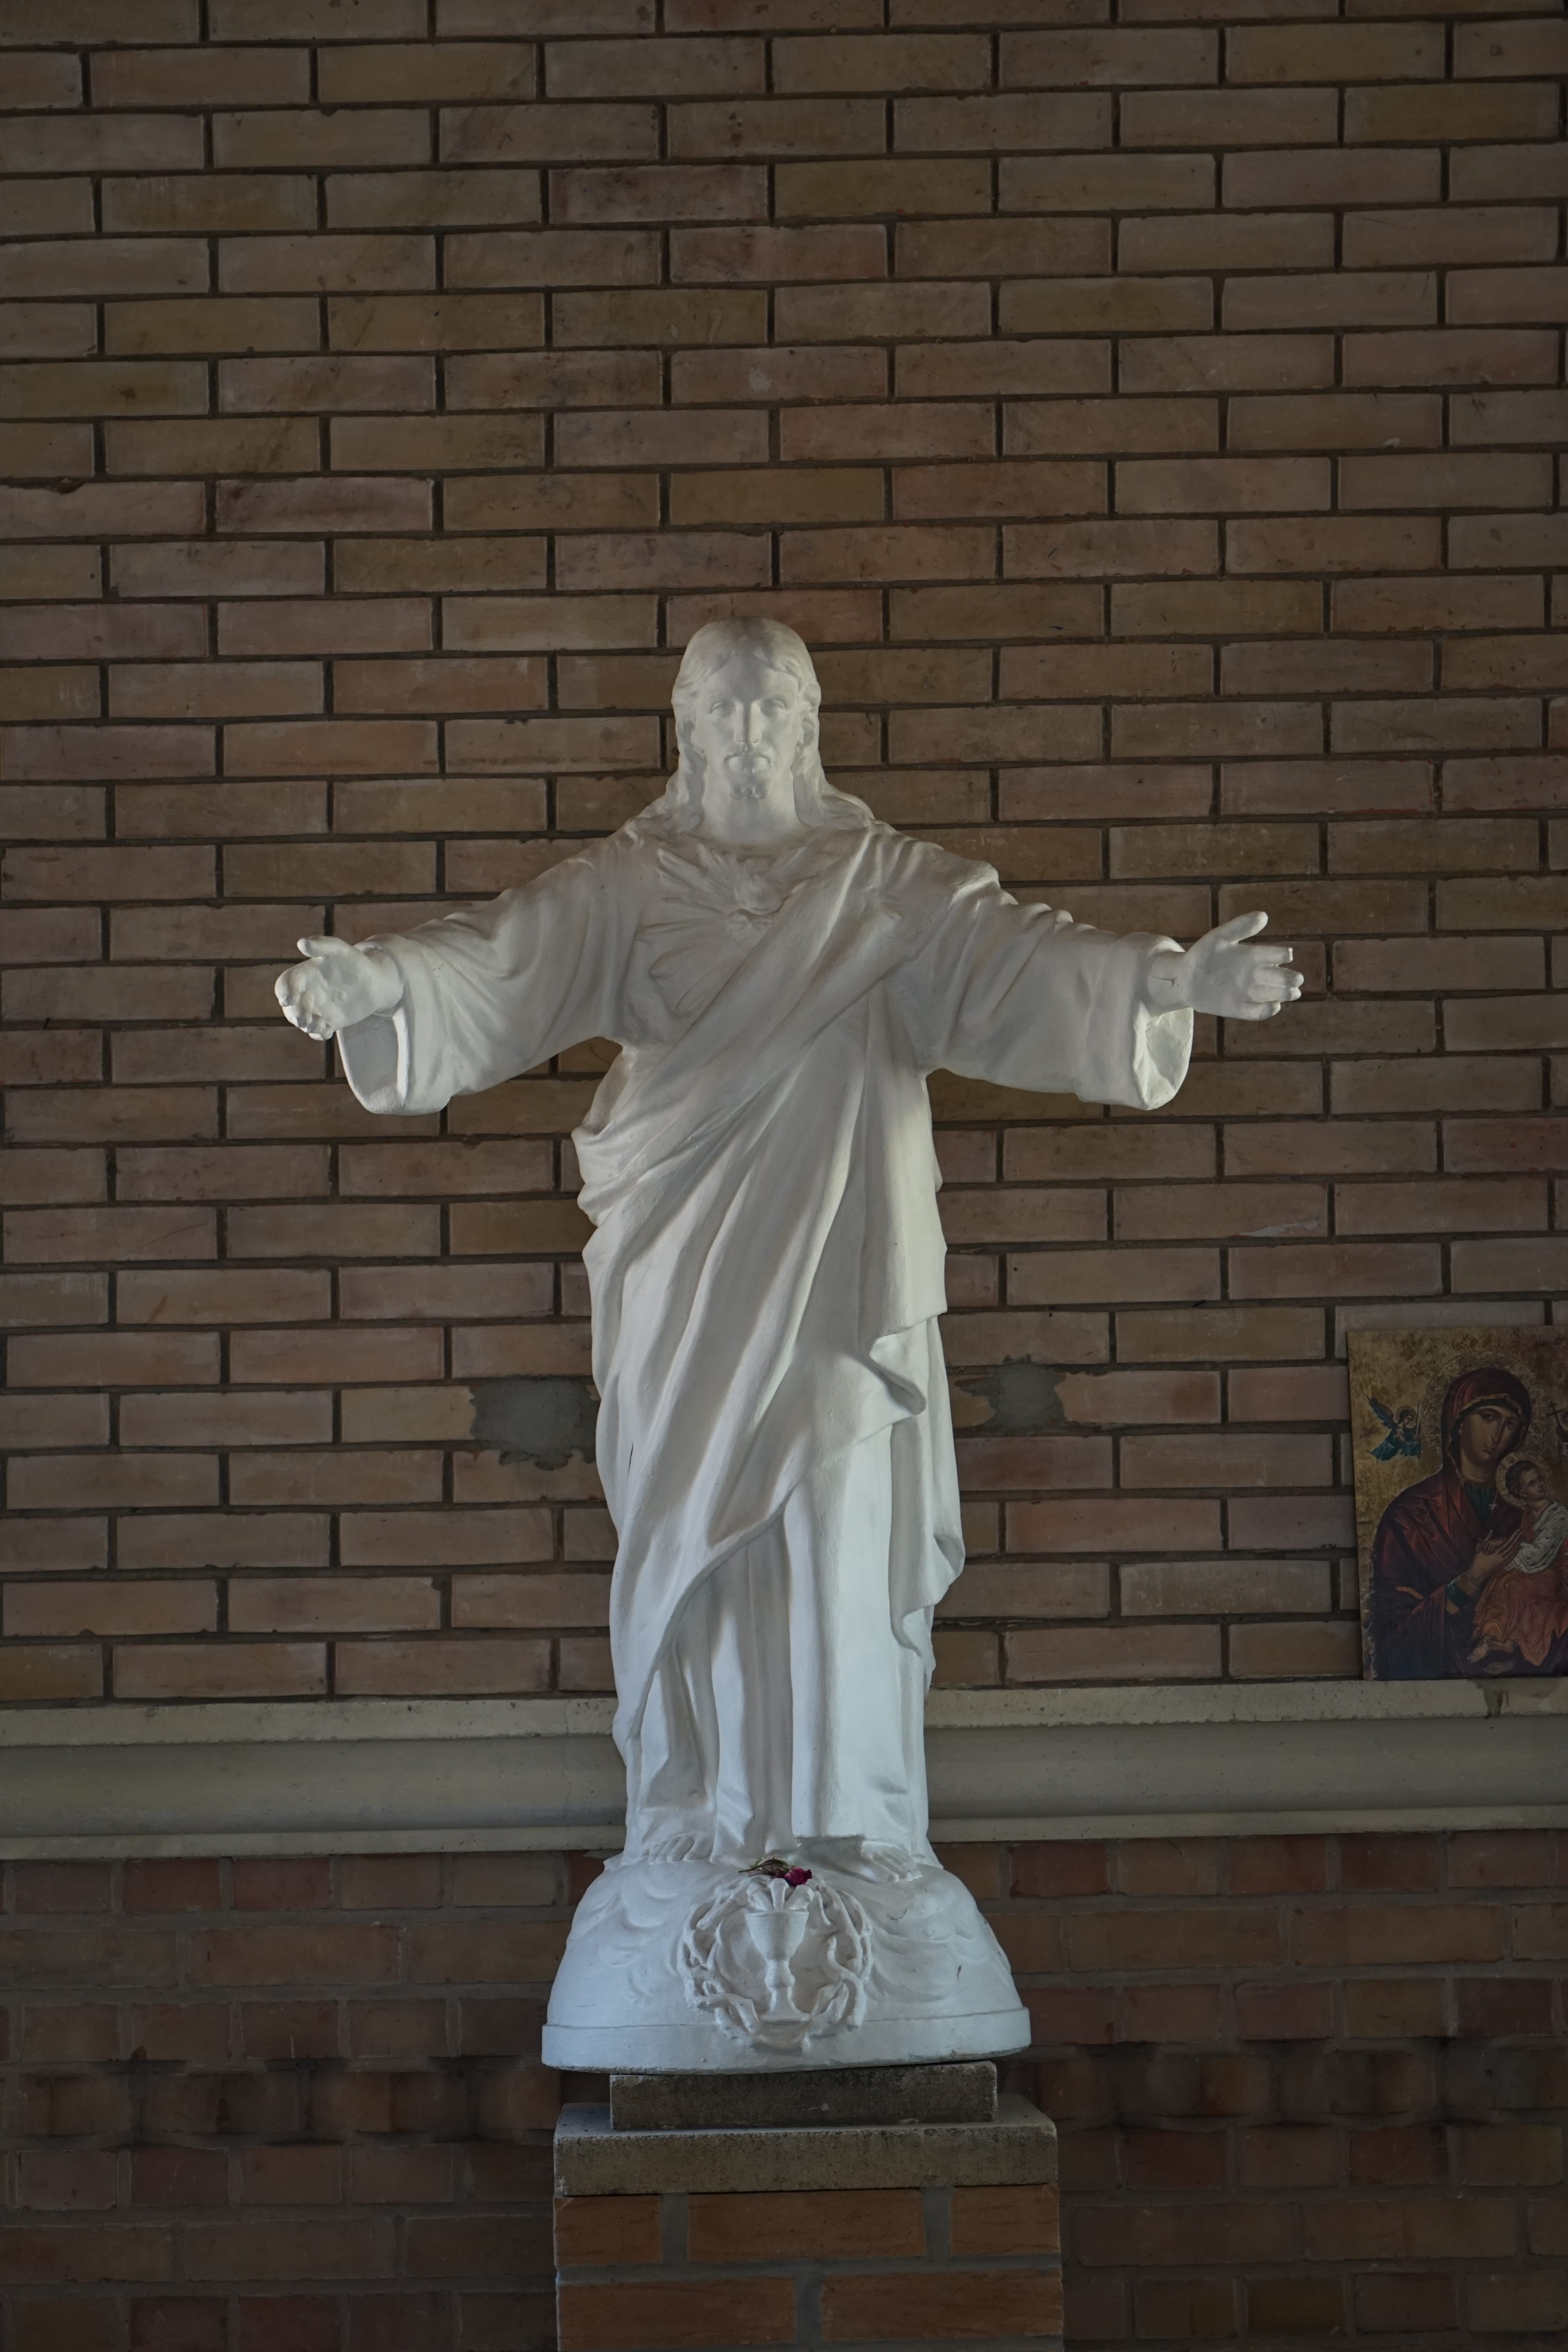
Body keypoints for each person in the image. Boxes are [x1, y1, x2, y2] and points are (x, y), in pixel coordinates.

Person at [276, 619, 1302, 1870]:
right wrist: (377, 983)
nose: (746, 736)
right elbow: (498, 964)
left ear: (807, 728)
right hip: (681, 1270)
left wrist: (1160, 983)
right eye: (721, 711)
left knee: (827, 1506)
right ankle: (706, 1826)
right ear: (684, 730)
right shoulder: (629, 883)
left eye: (771, 711)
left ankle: (843, 1834)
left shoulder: (883, 887)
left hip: (835, 1271)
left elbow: (1018, 961)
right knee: (693, 1524)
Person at [1368, 1365, 1541, 1677]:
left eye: (1510, 1424)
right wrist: (1470, 1581)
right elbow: (1393, 1632)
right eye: (1488, 1417)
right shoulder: (1409, 1514)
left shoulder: (1525, 1514)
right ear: (1458, 1423)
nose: (1498, 1435)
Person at [1467, 1456, 1568, 1672]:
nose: (1541, 1484)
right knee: (1501, 1578)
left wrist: (1501, 1549)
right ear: (1522, 1493)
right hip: (1540, 1572)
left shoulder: (1558, 1514)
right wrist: (1495, 1547)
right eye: (1533, 1483)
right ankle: (1505, 1643)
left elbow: (1539, 1556)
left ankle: (1492, 1637)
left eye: (1540, 1479)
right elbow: (1525, 1550)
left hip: (1558, 1574)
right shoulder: (1528, 1515)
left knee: (1512, 1582)